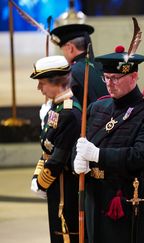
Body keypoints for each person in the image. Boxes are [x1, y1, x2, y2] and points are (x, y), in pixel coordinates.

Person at [73, 46, 144, 243]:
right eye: (106, 78)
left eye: (115, 78)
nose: (109, 84)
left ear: (134, 77)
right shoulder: (97, 107)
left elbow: (142, 157)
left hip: (129, 198)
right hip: (95, 196)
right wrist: (76, 159)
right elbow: (83, 143)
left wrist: (98, 155)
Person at [30, 55, 82, 243]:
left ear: (57, 82)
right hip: (56, 184)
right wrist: (37, 175)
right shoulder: (56, 107)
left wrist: (41, 183)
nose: (39, 88)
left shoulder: (68, 113)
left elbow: (58, 159)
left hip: (65, 188)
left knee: (65, 234)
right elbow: (47, 149)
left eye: (42, 83)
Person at [50, 23, 108, 106]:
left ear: (70, 48)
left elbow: (69, 109)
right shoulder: (102, 65)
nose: (64, 55)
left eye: (63, 50)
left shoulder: (71, 72)